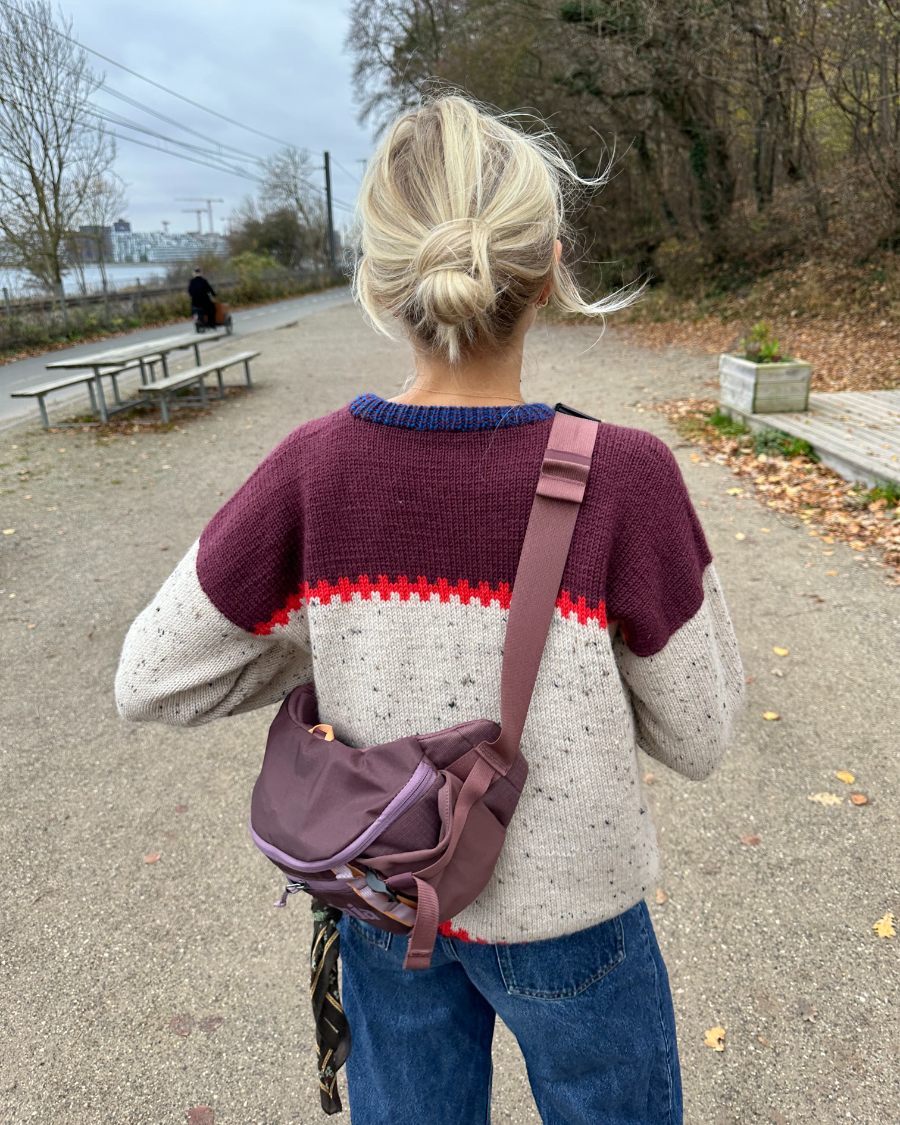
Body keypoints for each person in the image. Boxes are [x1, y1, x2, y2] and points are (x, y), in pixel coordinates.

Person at [115, 94, 744, 1124]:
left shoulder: (314, 470)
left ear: (379, 279)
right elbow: (702, 734)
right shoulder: (628, 479)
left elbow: (152, 678)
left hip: (385, 900)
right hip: (576, 919)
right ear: (550, 268)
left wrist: (334, 622)